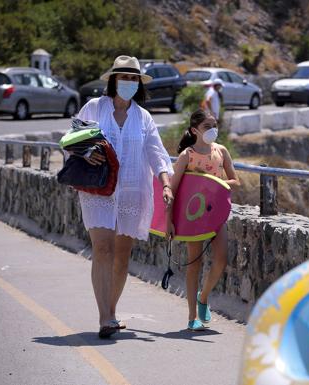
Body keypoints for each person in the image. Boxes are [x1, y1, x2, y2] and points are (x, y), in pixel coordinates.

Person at [76, 55, 175, 338]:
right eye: (124, 77)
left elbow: (157, 153)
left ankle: (112, 310)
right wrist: (86, 152)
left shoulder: (143, 117)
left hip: (132, 190)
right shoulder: (94, 107)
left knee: (122, 255)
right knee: (103, 249)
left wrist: (166, 184)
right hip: (99, 190)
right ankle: (104, 317)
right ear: (113, 80)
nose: (129, 82)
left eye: (133, 78)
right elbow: (71, 141)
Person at [165, 109, 239, 331]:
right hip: (192, 218)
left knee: (221, 259)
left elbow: (235, 180)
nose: (213, 130)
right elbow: (172, 190)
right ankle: (191, 317)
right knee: (194, 263)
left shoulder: (222, 151)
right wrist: (168, 221)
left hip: (216, 214)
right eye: (207, 126)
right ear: (194, 130)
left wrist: (217, 184)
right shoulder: (186, 156)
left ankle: (203, 296)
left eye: (214, 125)